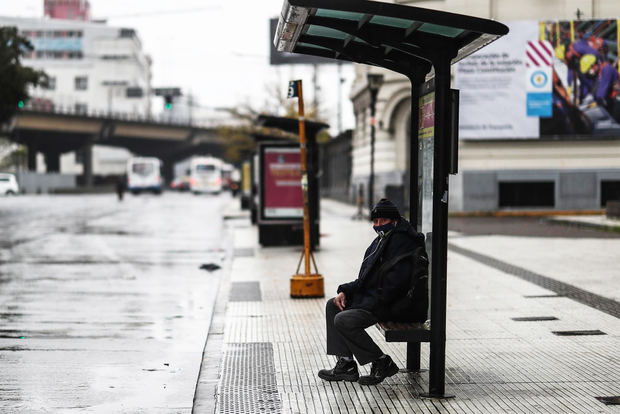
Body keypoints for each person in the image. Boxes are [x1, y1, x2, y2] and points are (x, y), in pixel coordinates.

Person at [318, 198, 427, 385]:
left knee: (344, 319)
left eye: (382, 221)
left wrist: (363, 303)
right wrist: (346, 291)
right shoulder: (383, 240)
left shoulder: (402, 243)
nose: (378, 226)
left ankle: (381, 361)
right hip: (381, 299)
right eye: (375, 222)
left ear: (394, 220)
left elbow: (395, 286)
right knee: (333, 305)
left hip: (397, 304)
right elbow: (366, 279)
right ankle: (346, 364)